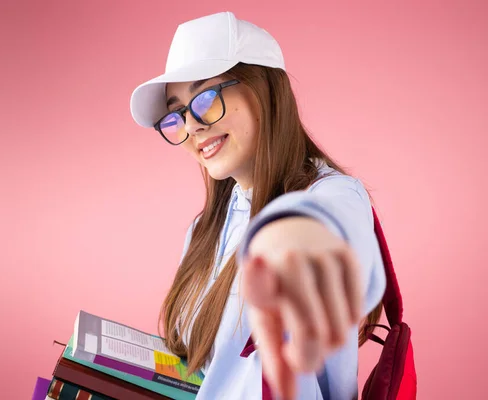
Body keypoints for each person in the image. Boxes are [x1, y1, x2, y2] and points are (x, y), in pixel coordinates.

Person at [129, 11, 386, 400]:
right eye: (178, 112)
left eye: (205, 98)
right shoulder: (204, 231)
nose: (192, 126)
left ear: (263, 87)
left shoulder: (333, 199)